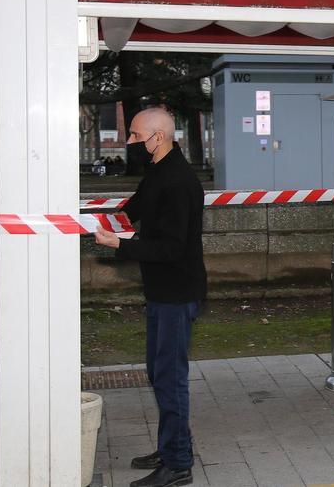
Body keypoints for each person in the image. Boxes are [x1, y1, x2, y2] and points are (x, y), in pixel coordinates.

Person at [94, 107, 206, 487]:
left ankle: (178, 466)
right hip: (162, 291)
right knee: (159, 373)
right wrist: (92, 221)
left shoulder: (179, 182)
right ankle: (174, 446)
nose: (130, 143)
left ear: (158, 138)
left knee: (170, 377)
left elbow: (172, 248)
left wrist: (122, 244)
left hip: (177, 293)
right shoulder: (159, 172)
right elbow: (132, 212)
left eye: (136, 136)